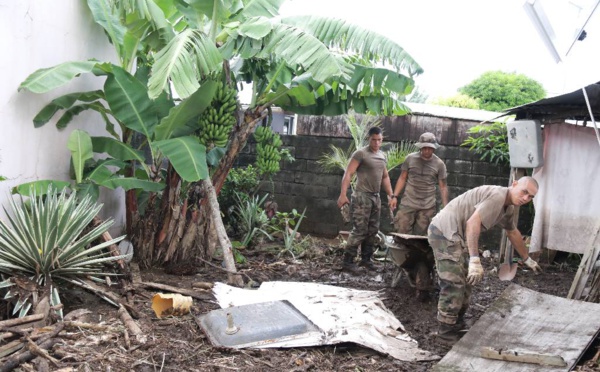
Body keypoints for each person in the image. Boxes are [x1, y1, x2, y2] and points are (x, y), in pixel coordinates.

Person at [427, 176, 543, 344]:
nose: (526, 198)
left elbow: (512, 232)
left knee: (467, 281)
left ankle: (456, 324)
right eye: (524, 192)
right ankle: (445, 333)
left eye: (531, 197)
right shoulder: (497, 196)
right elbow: (472, 223)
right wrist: (474, 259)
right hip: (444, 232)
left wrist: (527, 259)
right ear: (514, 184)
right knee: (454, 282)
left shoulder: (508, 207)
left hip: (457, 236)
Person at [337, 127, 396, 272]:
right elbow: (348, 173)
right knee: (359, 230)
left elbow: (385, 177)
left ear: (382, 140)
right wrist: (343, 194)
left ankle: (366, 260)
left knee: (372, 230)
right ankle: (348, 262)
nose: (376, 143)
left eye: (379, 140)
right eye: (373, 140)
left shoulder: (382, 156)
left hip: (376, 197)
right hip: (362, 196)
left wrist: (391, 195)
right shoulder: (361, 154)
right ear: (369, 139)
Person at [392, 132, 448, 236]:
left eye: (429, 148)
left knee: (421, 237)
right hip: (408, 202)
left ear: (434, 148)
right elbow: (402, 177)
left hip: (427, 206)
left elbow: (443, 187)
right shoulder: (410, 159)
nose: (427, 151)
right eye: (424, 148)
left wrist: (445, 207)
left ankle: (416, 253)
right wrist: (394, 196)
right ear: (420, 147)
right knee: (401, 232)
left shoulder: (439, 164)